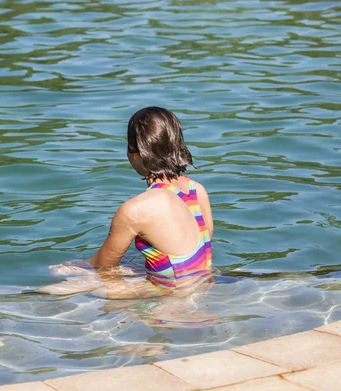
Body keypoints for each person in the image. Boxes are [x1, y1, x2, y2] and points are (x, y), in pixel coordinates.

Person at [40, 106, 214, 300]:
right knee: (126, 268)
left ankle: (21, 298)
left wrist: (69, 267)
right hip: (201, 283)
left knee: (81, 283)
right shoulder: (196, 190)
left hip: (172, 295)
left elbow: (102, 266)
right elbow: (183, 254)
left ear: (135, 152)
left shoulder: (137, 210)